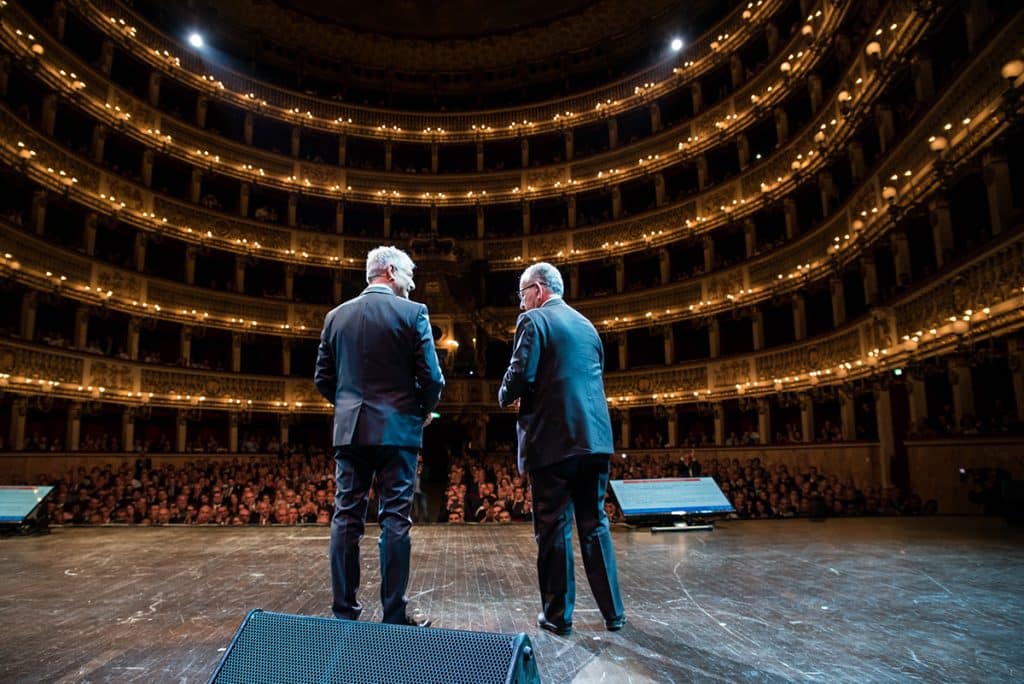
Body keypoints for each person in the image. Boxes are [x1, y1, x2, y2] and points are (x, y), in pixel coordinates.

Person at [315, 245, 444, 627]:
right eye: (409, 274)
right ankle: (394, 614)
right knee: (395, 520)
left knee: (346, 517)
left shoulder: (336, 317)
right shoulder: (413, 313)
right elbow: (433, 378)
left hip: (351, 430)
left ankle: (343, 612)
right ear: (389, 271)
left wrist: (347, 405)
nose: (413, 282)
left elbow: (323, 378)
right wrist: (419, 412)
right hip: (398, 429)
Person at [498, 262, 625, 636]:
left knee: (553, 529)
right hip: (594, 440)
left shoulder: (534, 322)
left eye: (523, 295)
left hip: (554, 441)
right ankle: (613, 614)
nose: (521, 305)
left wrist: (504, 394)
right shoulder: (587, 326)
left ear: (537, 290)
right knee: (595, 525)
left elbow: (522, 373)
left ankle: (558, 616)